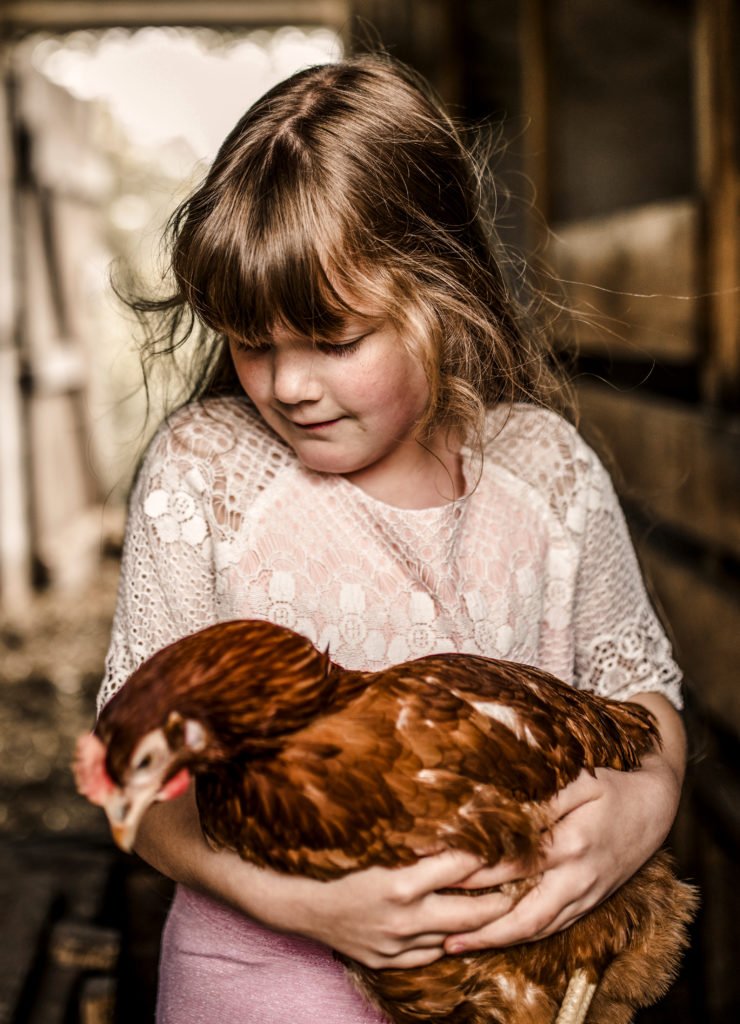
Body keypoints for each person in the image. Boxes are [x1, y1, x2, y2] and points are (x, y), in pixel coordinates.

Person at [99, 54, 686, 1024]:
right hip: (259, 983)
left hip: (514, 984)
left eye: (331, 339)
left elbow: (640, 695)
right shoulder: (204, 474)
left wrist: (645, 803)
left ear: (441, 293)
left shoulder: (544, 471)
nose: (287, 383)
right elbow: (140, 781)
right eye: (254, 341)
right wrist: (308, 906)